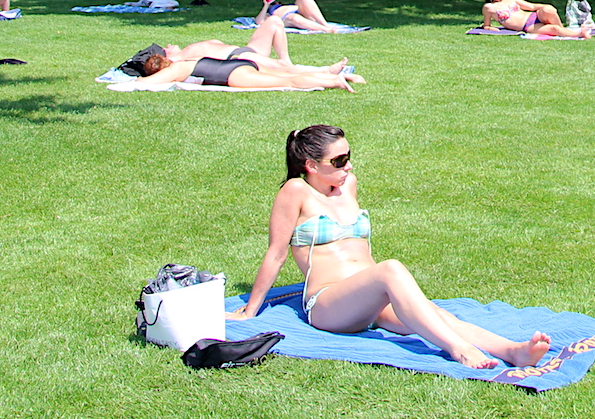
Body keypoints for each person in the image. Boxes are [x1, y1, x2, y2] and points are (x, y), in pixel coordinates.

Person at [234, 125, 553, 368]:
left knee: (436, 315)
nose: (348, 167)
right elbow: (276, 253)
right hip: (328, 305)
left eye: (349, 157)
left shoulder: (349, 186)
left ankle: (513, 351)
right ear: (310, 165)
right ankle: (457, 349)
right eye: (339, 160)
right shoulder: (295, 192)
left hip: (369, 299)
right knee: (391, 270)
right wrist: (251, 310)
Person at [124, 16, 361, 90]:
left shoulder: (185, 58)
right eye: (167, 49)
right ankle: (326, 72)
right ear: (166, 57)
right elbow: (159, 76)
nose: (171, 45)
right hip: (237, 60)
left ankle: (317, 71)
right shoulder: (180, 59)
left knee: (275, 22)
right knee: (282, 73)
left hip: (241, 54)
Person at [480, 0, 594, 37]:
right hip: (527, 26)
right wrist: (492, 29)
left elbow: (531, 6)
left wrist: (547, 7)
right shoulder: (489, 8)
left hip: (533, 16)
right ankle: (578, 34)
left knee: (548, 9)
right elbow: (486, 26)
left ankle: (564, 31)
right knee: (554, 29)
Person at [260, 0, 344, 32]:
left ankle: (324, 24)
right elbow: (259, 22)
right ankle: (326, 30)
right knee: (294, 18)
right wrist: (266, 5)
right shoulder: (270, 12)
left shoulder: (288, 5)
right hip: (288, 17)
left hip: (302, 12)